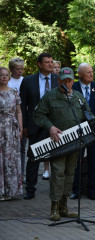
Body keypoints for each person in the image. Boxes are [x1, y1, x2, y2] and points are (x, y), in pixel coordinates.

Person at [34, 67, 95, 221]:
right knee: (58, 173)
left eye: (70, 80)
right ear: (58, 81)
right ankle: (54, 208)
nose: (67, 83)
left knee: (70, 173)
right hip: (58, 142)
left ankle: (65, 207)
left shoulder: (78, 96)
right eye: (64, 80)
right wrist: (50, 127)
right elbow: (38, 114)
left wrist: (94, 120)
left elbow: (87, 113)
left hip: (75, 141)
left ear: (73, 80)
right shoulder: (50, 96)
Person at [20, 53, 58, 200]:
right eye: (47, 62)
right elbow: (23, 105)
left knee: (56, 158)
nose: (50, 64)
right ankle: (30, 189)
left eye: (51, 61)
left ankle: (56, 190)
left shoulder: (57, 80)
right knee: (34, 158)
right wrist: (23, 126)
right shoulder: (28, 81)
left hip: (55, 126)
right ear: (39, 64)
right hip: (34, 125)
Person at [70, 63, 95, 200]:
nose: (91, 74)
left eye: (92, 72)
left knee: (93, 161)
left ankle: (92, 190)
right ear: (80, 75)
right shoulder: (73, 87)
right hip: (78, 130)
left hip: (94, 131)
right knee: (77, 161)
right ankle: (76, 190)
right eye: (88, 72)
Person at [0, 66, 23, 200]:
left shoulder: (14, 92)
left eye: (6, 75)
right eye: (1, 75)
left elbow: (19, 111)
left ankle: (10, 190)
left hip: (11, 129)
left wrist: (20, 128)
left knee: (10, 159)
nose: (4, 77)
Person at [42, 61, 62, 180]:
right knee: (46, 144)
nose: (56, 69)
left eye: (58, 67)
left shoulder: (60, 82)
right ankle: (45, 169)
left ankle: (57, 171)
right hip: (45, 118)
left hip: (57, 118)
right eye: (54, 67)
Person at [8, 57, 27, 182]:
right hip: (9, 115)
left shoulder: (25, 81)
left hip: (22, 115)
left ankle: (22, 173)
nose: (19, 71)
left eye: (21, 69)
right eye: (17, 69)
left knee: (22, 146)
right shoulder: (7, 81)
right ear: (11, 69)